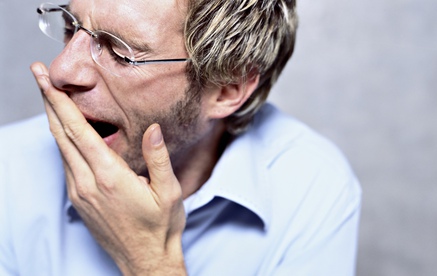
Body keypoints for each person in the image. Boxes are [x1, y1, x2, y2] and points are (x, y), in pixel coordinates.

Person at [0, 0, 362, 275]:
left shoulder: (313, 186)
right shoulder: (8, 169)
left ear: (226, 88)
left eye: (119, 51)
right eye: (69, 26)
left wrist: (149, 259)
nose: (61, 69)